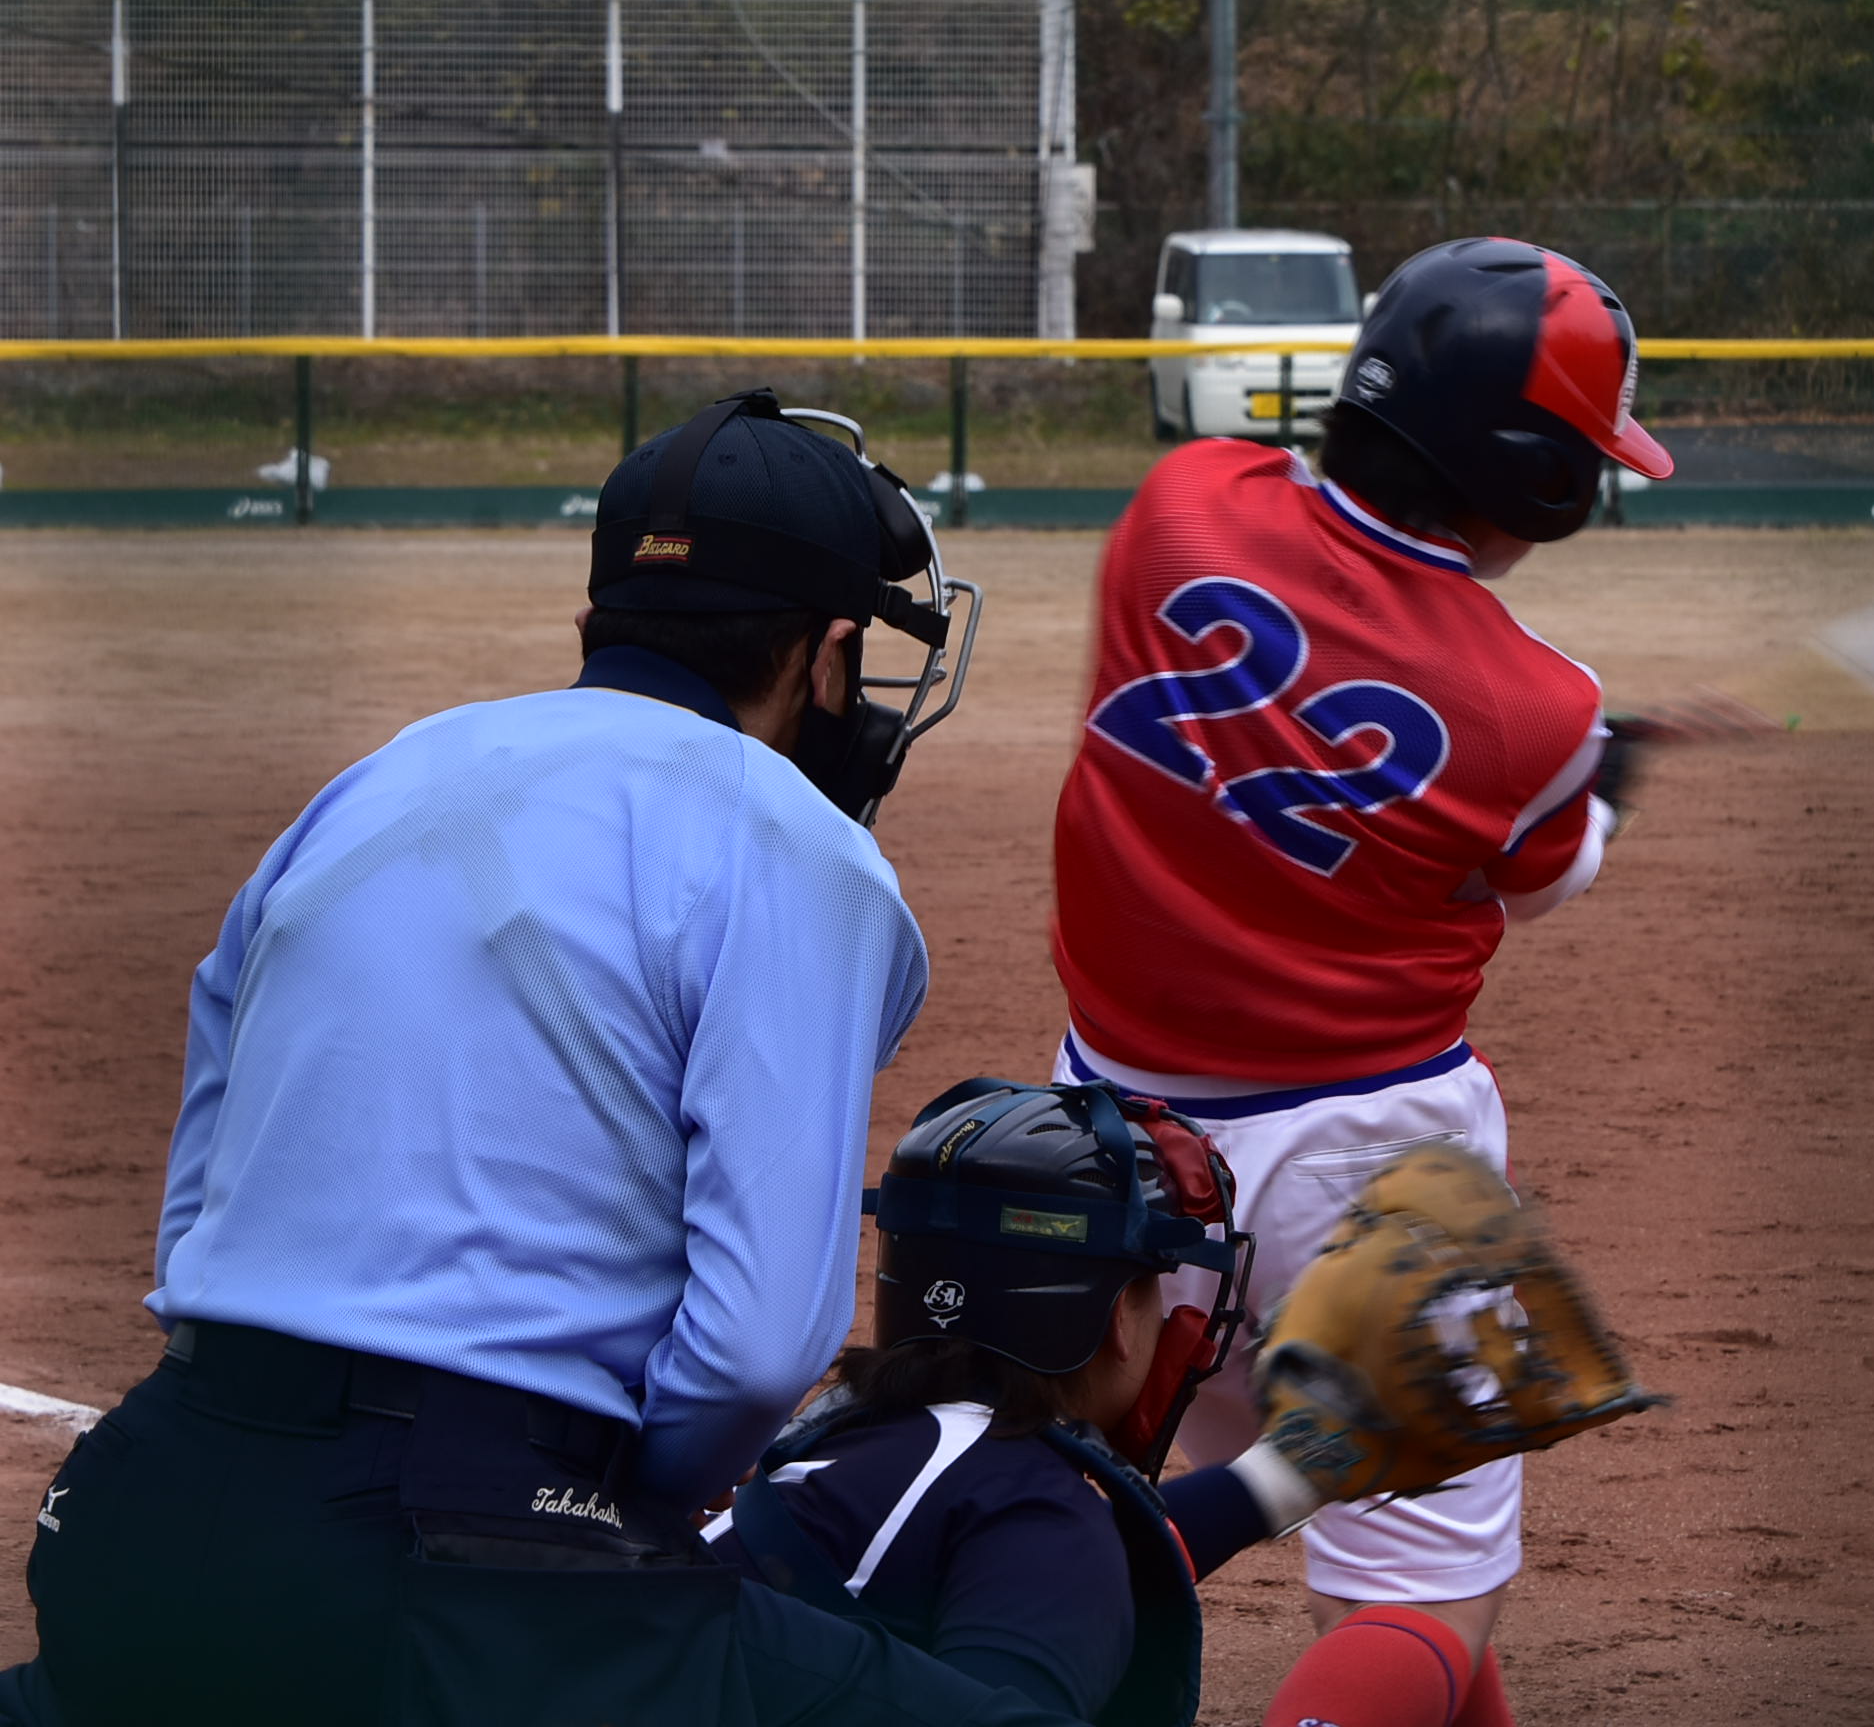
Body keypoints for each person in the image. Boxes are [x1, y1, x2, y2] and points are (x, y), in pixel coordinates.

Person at [1, 392, 1097, 1727]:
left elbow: (196, 1208)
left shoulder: (380, 775)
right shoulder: (798, 845)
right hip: (457, 1562)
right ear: (826, 658)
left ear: (598, 619)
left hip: (143, 1501)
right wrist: (621, 1511)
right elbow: (760, 1350)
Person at [1045, 237, 1673, 1727]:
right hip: (1364, 1169)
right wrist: (1608, 784)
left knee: (1085, 1532)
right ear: (1537, 484)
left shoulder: (1178, 503)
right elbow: (1546, 874)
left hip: (1103, 1152)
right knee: (1418, 1594)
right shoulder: (1539, 704)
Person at [708, 1078, 1325, 1727]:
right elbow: (1047, 1569)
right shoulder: (1033, 1512)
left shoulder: (852, 1448)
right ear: (1119, 1317)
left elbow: (1026, 1579)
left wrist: (1284, 1476)